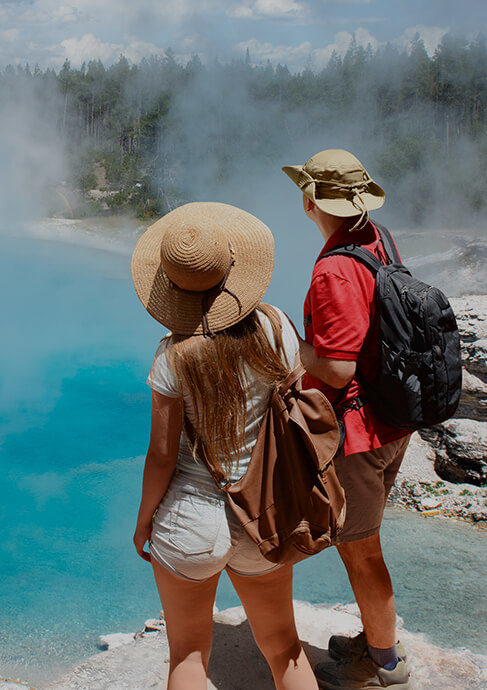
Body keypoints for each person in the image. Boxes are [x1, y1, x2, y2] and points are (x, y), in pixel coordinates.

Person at [129, 202, 318, 690]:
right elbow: (295, 402)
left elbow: (162, 456)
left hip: (190, 520)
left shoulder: (173, 355)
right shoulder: (275, 326)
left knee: (188, 657)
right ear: (234, 272)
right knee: (284, 649)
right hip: (263, 512)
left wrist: (145, 518)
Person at [282, 149, 418, 689]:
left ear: (313, 200)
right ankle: (376, 635)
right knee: (362, 542)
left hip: (357, 431)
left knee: (362, 550)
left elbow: (336, 368)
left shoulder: (334, 268)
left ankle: (386, 664)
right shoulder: (375, 237)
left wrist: (294, 349)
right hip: (393, 416)